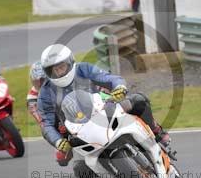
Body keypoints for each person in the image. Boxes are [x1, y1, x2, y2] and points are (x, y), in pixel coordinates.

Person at [37, 44, 170, 165]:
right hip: (75, 129)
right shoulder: (45, 92)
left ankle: (156, 131)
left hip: (103, 109)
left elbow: (108, 78)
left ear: (70, 62)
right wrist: (57, 141)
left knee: (139, 100)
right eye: (54, 70)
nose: (59, 72)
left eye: (62, 67)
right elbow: (46, 123)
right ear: (48, 72)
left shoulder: (83, 69)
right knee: (78, 168)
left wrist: (119, 87)